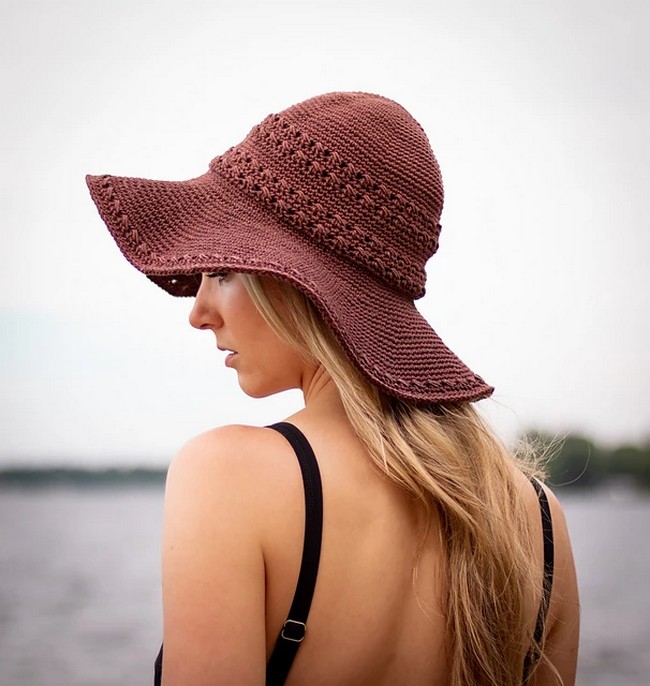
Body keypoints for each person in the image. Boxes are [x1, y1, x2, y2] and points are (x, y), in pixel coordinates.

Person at [86, 92, 579, 686]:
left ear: (298, 282)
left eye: (220, 270)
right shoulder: (536, 520)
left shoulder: (229, 475)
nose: (199, 311)